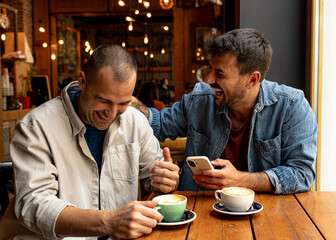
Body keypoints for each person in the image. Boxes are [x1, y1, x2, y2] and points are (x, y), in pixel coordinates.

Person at [0, 44, 180, 240]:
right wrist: (109, 222)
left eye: (122, 103)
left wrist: (167, 180)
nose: (111, 114)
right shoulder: (36, 127)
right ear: (82, 81)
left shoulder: (135, 121)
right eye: (103, 101)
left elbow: (154, 177)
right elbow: (35, 206)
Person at [132, 28, 317, 194]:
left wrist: (240, 180)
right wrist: (124, 99)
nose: (208, 80)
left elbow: (302, 174)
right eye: (210, 69)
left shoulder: (291, 106)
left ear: (252, 80)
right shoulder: (200, 99)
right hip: (201, 214)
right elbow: (157, 123)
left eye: (219, 74)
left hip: (267, 217)